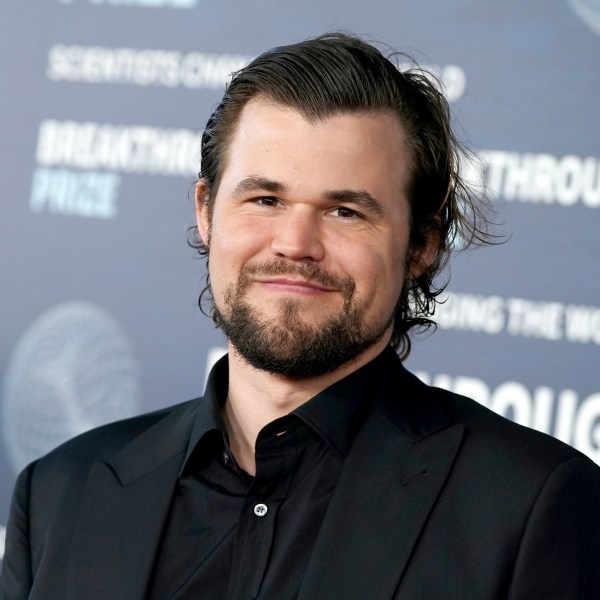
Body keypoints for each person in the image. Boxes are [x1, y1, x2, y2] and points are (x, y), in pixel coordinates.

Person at [2, 32, 600, 600]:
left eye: (344, 211)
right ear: (207, 211)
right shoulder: (62, 493)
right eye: (265, 199)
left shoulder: (530, 508)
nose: (294, 242)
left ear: (422, 245)